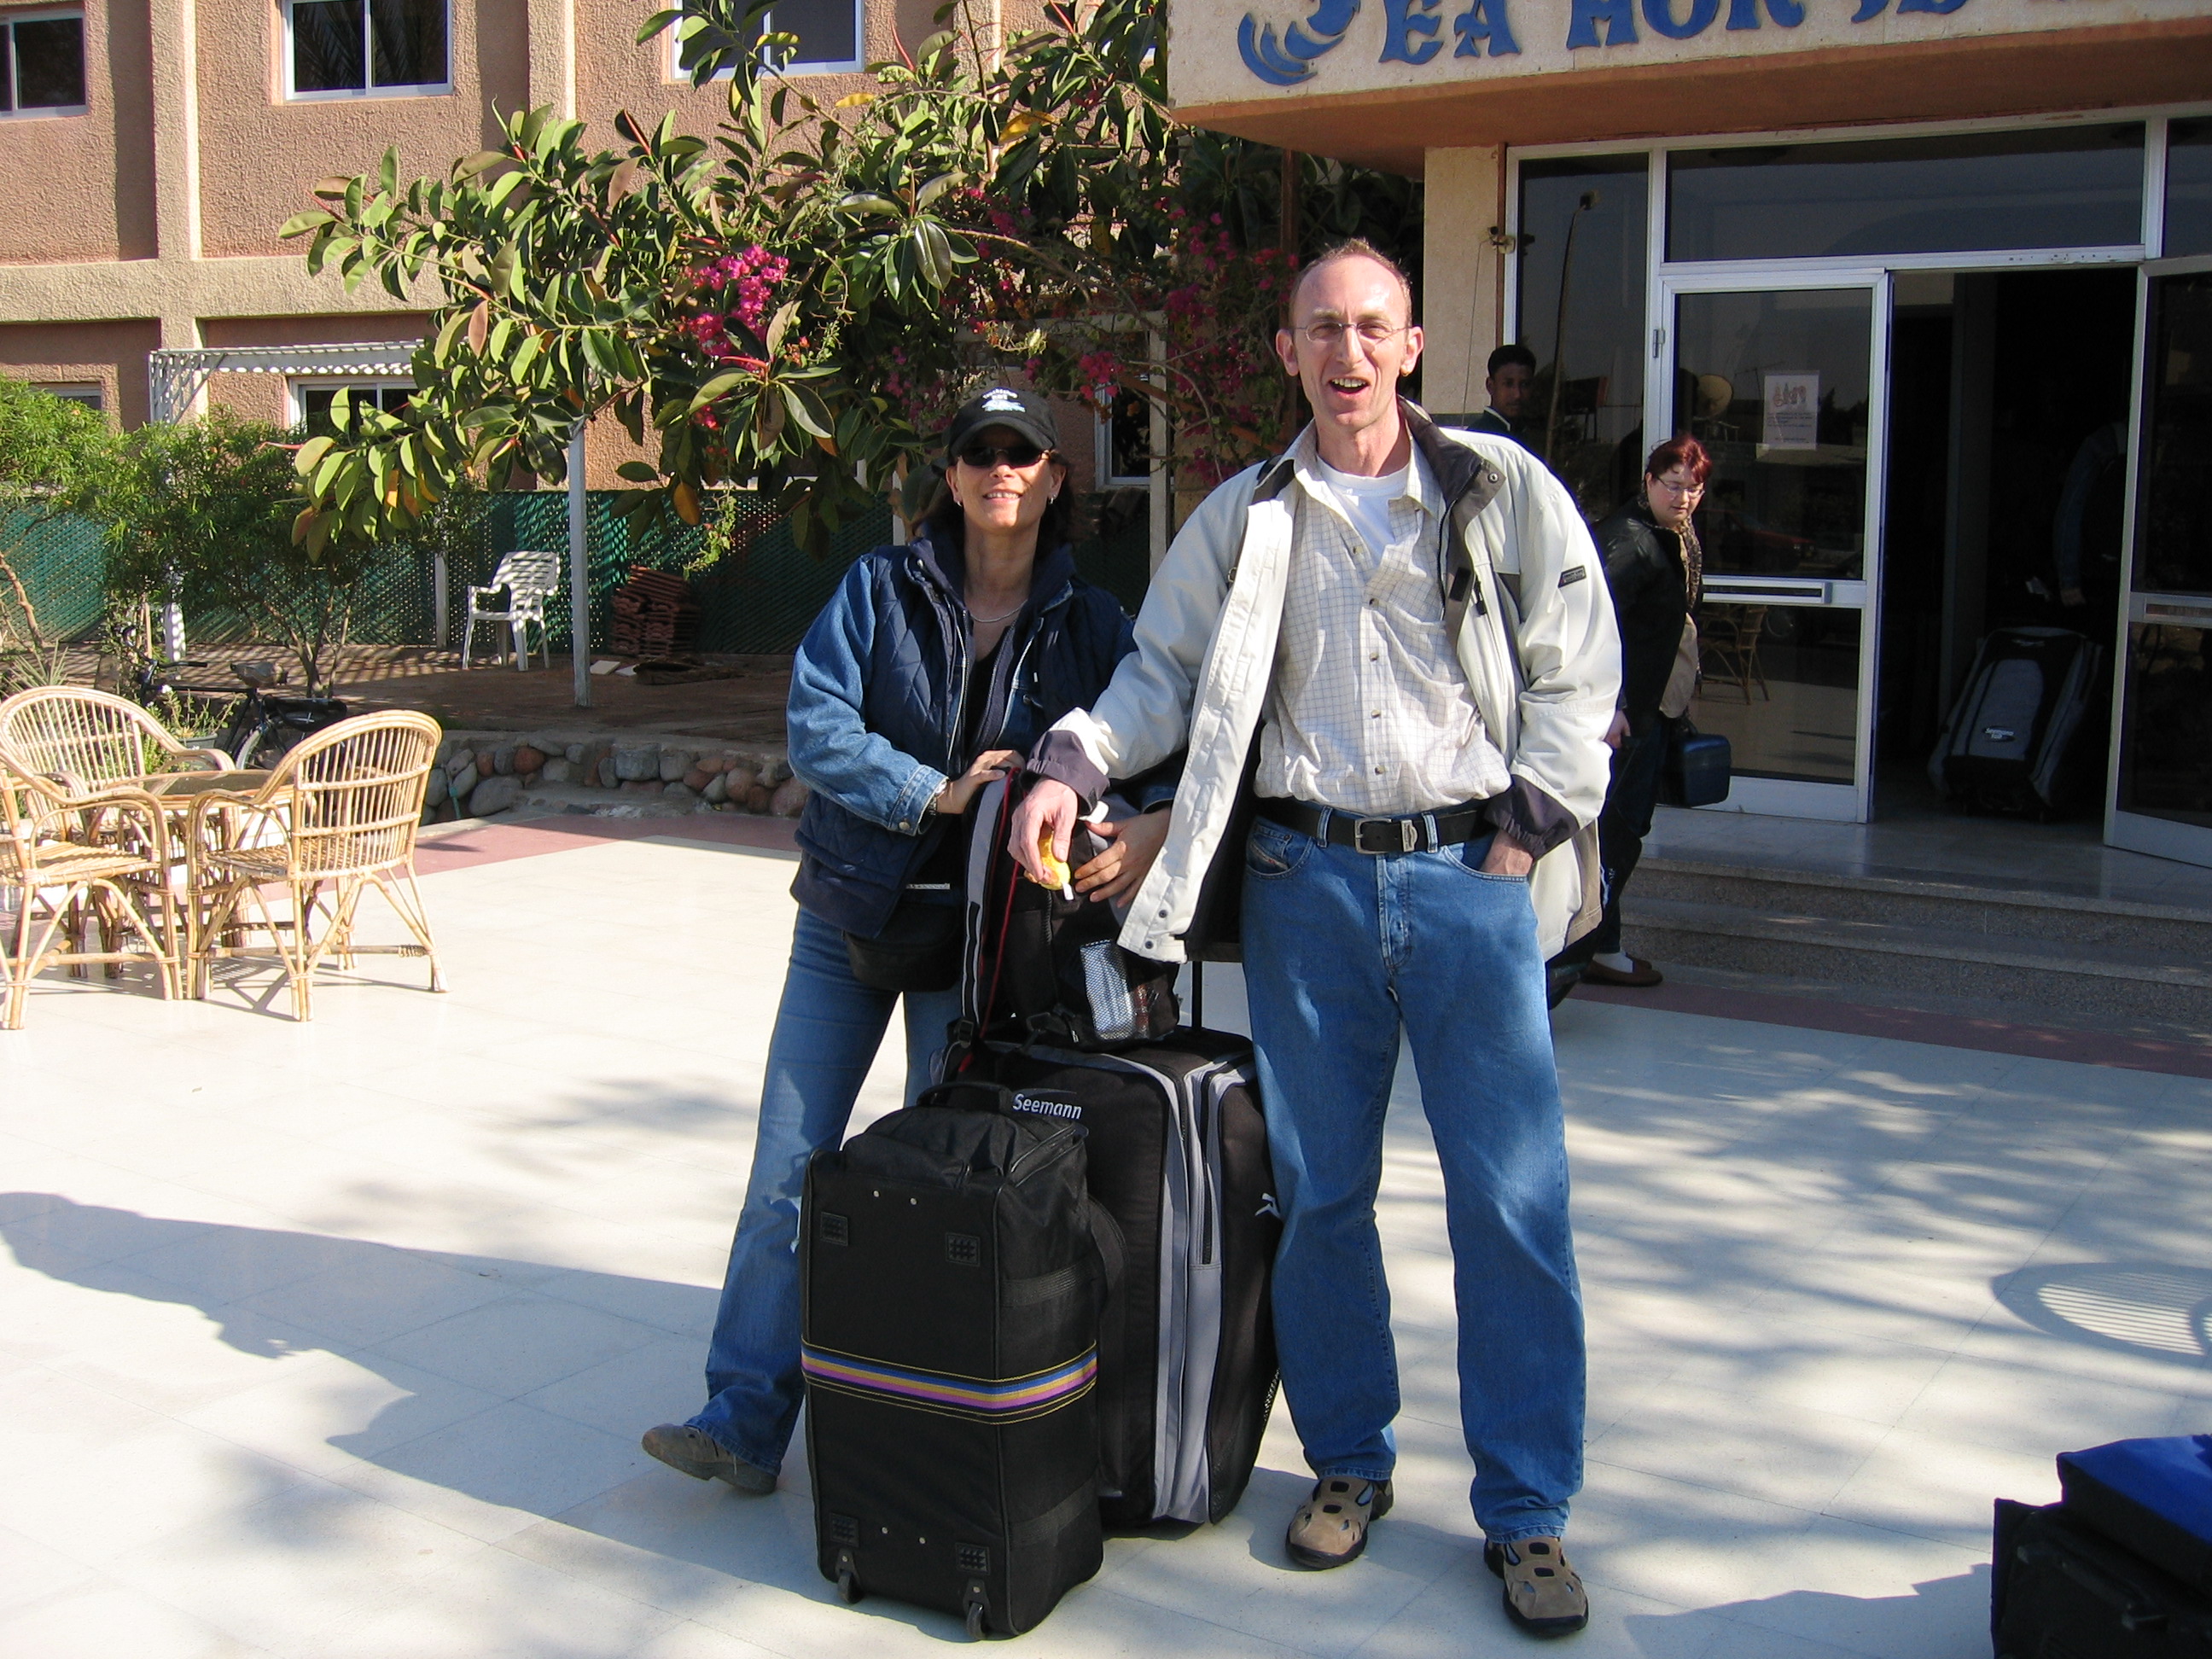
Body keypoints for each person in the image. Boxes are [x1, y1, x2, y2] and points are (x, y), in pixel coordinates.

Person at [1010, 242, 1619, 1639]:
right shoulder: (1246, 515)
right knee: (1322, 1194)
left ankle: (1527, 1508)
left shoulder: (1499, 490)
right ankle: (1350, 1458)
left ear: (1411, 346)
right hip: (1307, 887)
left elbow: (1577, 665)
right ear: (1289, 352)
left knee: (1511, 1205)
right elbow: (1161, 673)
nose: (1347, 353)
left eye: (1370, 326)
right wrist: (1071, 759)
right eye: (1321, 329)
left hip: (1469, 881)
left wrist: (1525, 829)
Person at [641, 386, 1171, 1495]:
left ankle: (923, 1420)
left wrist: (1133, 827)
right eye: (979, 451)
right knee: (786, 1173)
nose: (999, 469)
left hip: (976, 953)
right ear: (952, 474)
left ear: (1054, 477)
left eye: (1021, 452)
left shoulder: (1093, 624)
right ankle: (743, 1419)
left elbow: (1142, 743)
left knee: (940, 1188)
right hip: (848, 919)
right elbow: (817, 725)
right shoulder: (879, 588)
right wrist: (934, 791)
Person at [1564, 436, 1709, 990]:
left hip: (1653, 708)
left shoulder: (1674, 537)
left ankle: (1605, 945)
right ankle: (1585, 951)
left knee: (1622, 831)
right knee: (1616, 831)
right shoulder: (1630, 540)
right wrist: (1613, 706)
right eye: (1672, 485)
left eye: (1693, 488)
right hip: (1623, 718)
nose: (1683, 497)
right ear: (1648, 482)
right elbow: (1589, 623)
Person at [1468, 342, 1536, 445]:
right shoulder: (1479, 438)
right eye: (1508, 384)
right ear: (1490, 386)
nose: (1517, 394)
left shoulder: (1527, 433)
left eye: (1524, 385)